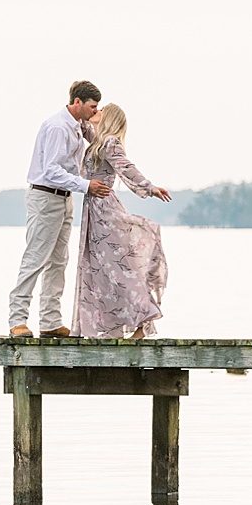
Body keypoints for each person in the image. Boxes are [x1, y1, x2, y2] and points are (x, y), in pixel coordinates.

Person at [8, 81, 113, 338]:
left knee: (59, 261)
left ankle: (50, 321)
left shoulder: (79, 125)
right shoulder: (57, 127)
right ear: (77, 102)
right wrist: (86, 185)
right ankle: (17, 319)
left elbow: (98, 141)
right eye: (92, 106)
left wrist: (96, 123)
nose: (94, 111)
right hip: (45, 197)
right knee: (35, 258)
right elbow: (51, 171)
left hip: (65, 198)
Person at [74, 103, 172, 340]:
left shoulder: (110, 143)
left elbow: (126, 168)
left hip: (105, 212)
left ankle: (144, 318)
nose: (96, 112)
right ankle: (112, 327)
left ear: (109, 118)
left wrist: (149, 187)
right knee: (99, 271)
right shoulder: (97, 142)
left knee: (118, 269)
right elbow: (80, 124)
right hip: (93, 213)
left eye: (101, 110)